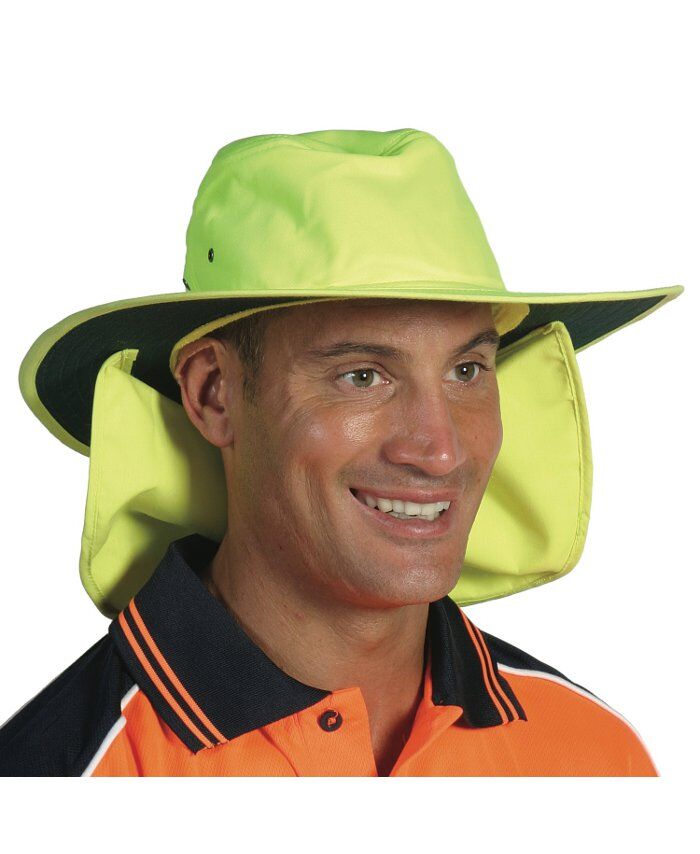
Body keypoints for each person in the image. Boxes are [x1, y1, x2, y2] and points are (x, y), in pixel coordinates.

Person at [0, 128, 682, 776]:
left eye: (467, 370)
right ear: (214, 395)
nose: (441, 451)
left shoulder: (596, 757)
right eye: (363, 376)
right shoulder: (59, 777)